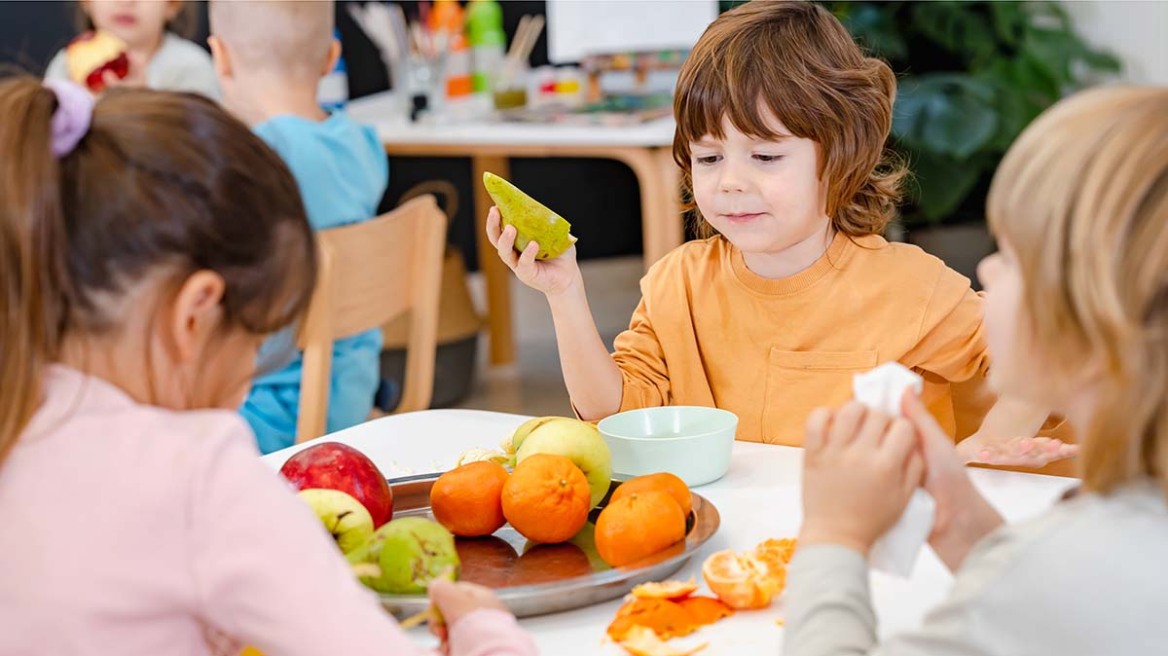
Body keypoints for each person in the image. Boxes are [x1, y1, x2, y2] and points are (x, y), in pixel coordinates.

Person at [0, 76, 535, 656]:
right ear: (195, 315)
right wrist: (486, 631)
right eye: (263, 340)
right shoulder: (199, 476)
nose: (254, 367)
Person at [486, 0, 1070, 466]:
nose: (731, 183)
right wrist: (564, 295)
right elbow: (615, 415)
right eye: (709, 159)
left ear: (839, 154)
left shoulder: (911, 287)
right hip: (733, 551)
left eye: (765, 157)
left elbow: (1040, 357)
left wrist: (989, 448)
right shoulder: (677, 284)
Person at [788, 85, 1168, 655]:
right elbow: (1056, 610)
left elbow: (1040, 593)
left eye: (1012, 257)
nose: (986, 267)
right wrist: (957, 513)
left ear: (1095, 318)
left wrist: (832, 539)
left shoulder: (1064, 569)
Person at [209, 0, 388, 453]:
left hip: (274, 413)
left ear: (220, 56)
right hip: (351, 391)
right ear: (331, 57)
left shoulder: (256, 160)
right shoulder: (364, 146)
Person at [45, 0, 219, 98]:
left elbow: (200, 147)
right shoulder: (68, 63)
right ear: (86, 2)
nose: (126, 2)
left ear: (172, 5)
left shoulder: (191, 67)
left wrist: (140, 104)